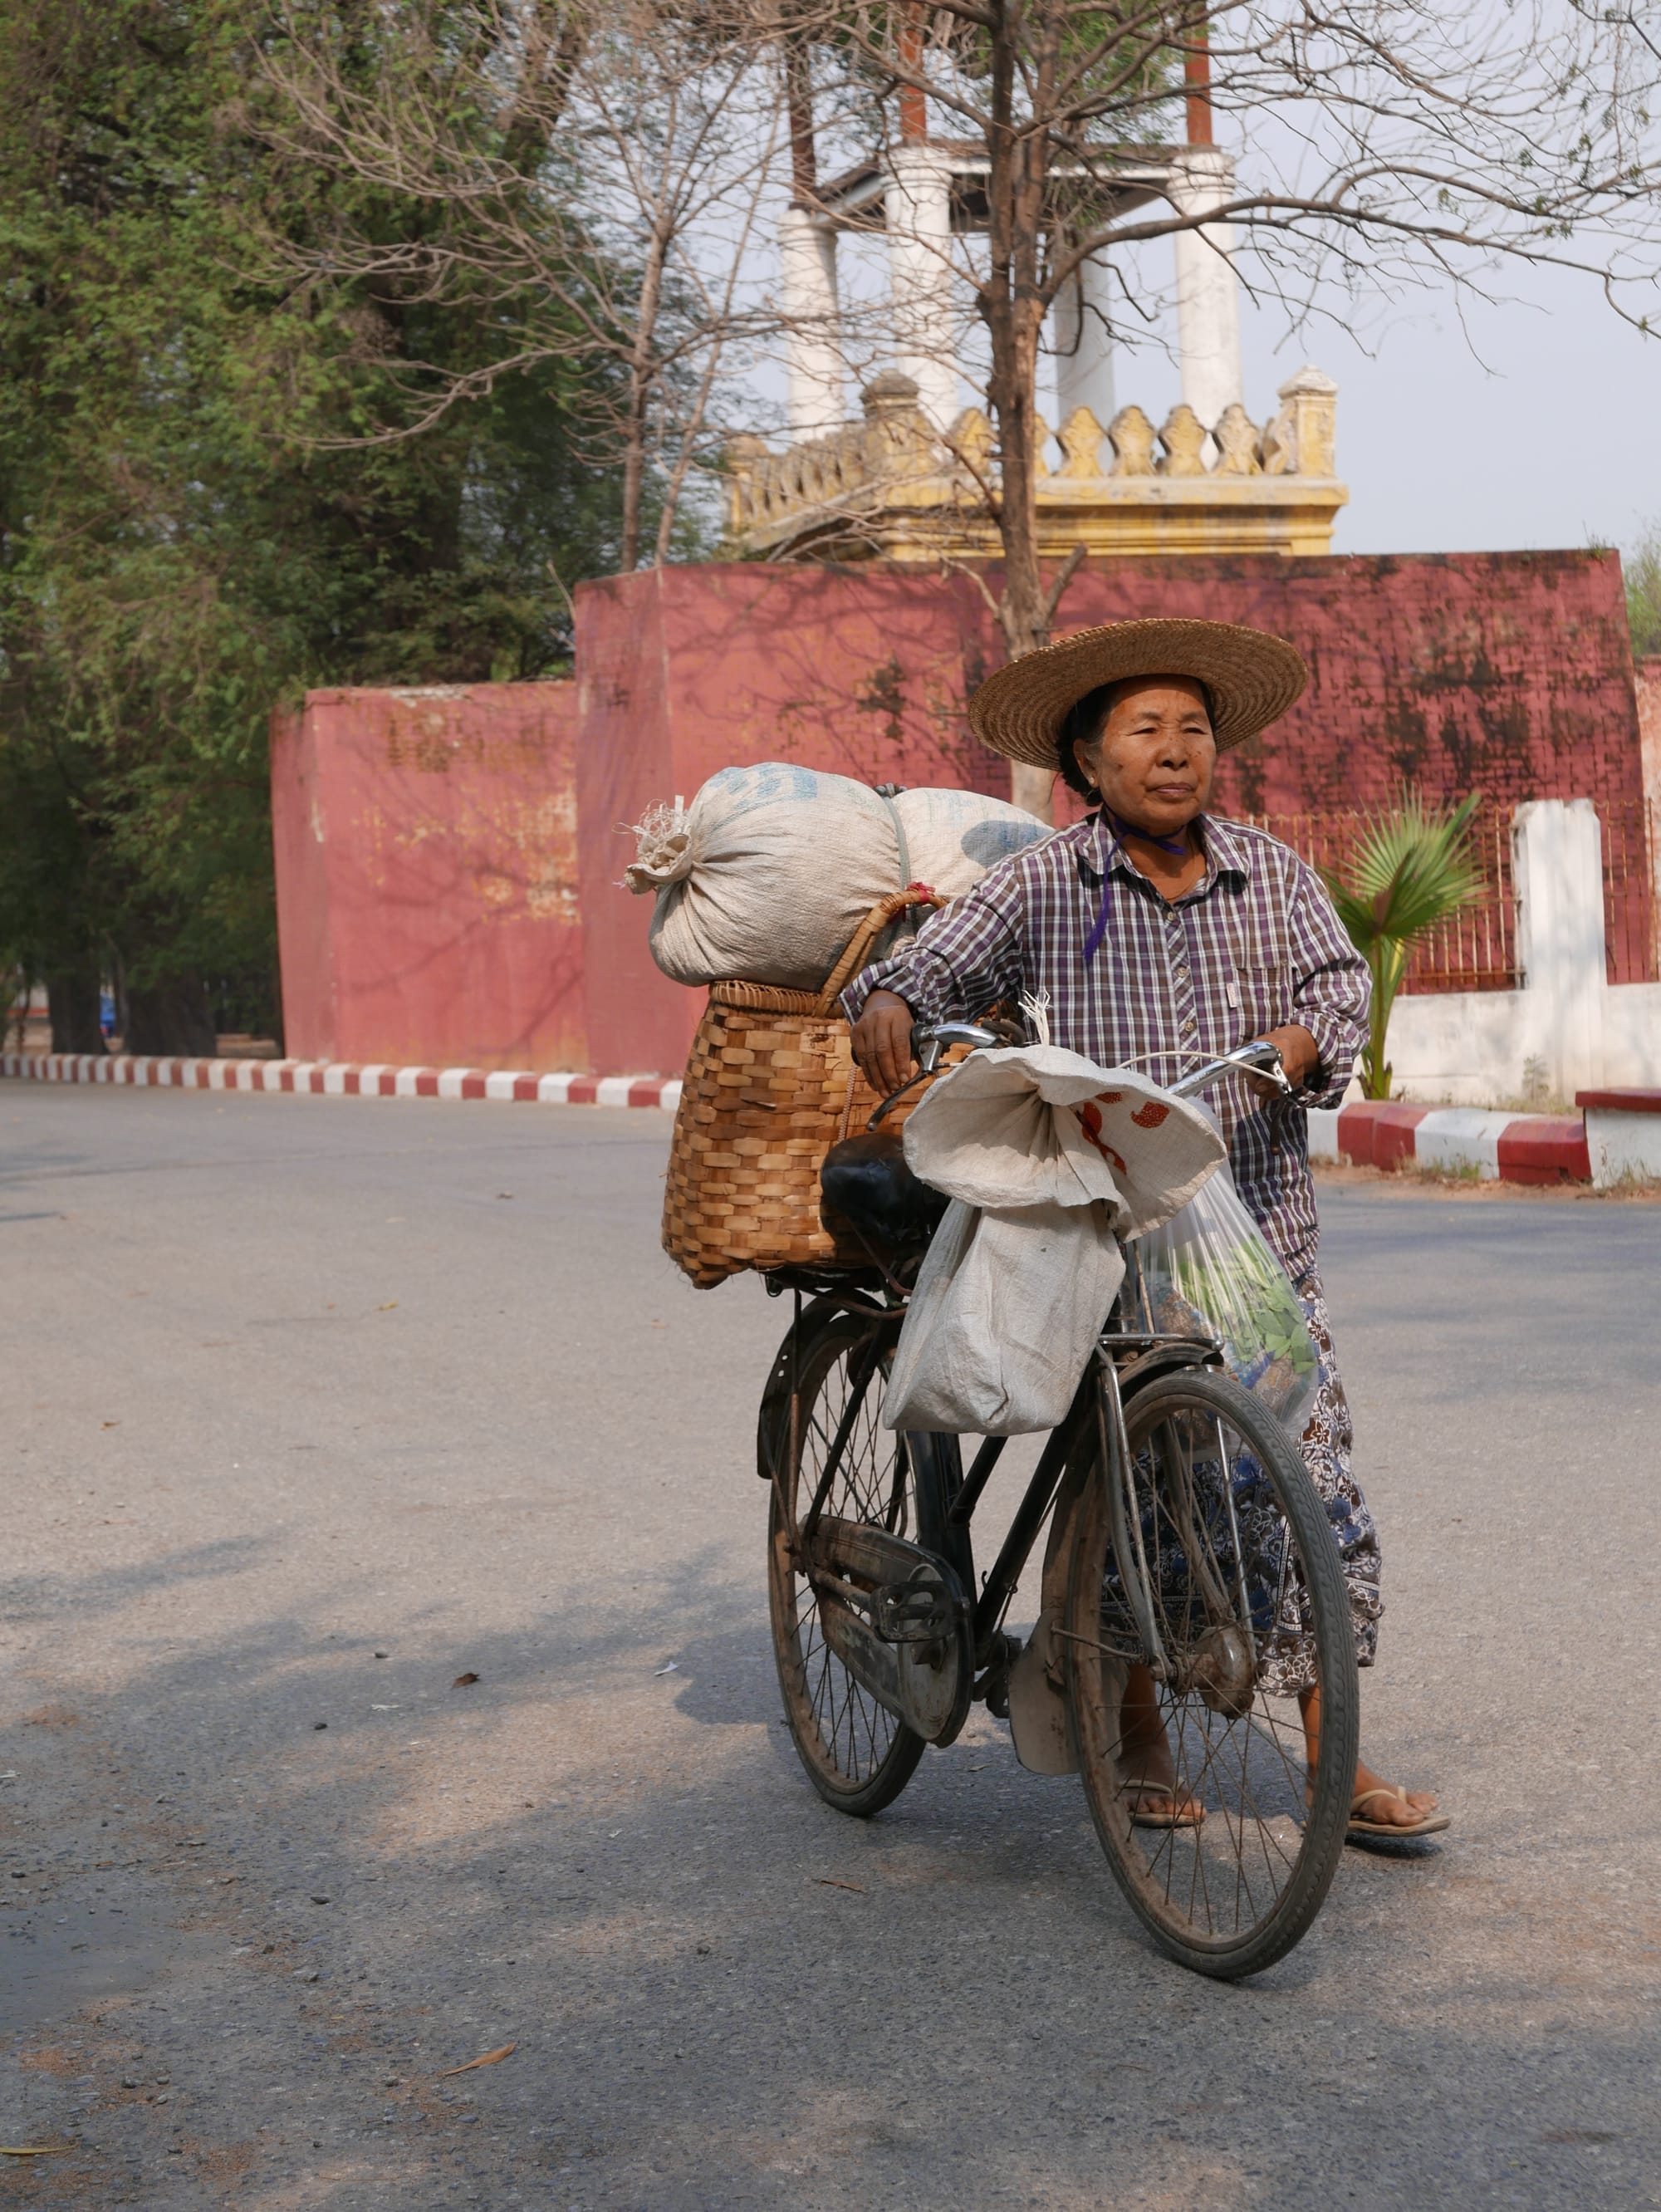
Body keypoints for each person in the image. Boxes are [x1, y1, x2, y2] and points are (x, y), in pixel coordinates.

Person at [845, 617, 1448, 1845]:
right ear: (1088, 757)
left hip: (1260, 1251)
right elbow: (920, 970)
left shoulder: (1270, 874)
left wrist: (1300, 1042)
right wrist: (895, 1001)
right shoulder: (1042, 884)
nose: (1177, 752)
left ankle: (1339, 1759)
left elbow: (1340, 987)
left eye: (1195, 730)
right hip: (1107, 1252)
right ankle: (1136, 1730)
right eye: (1146, 731)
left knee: (1314, 1489)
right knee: (1138, 1494)